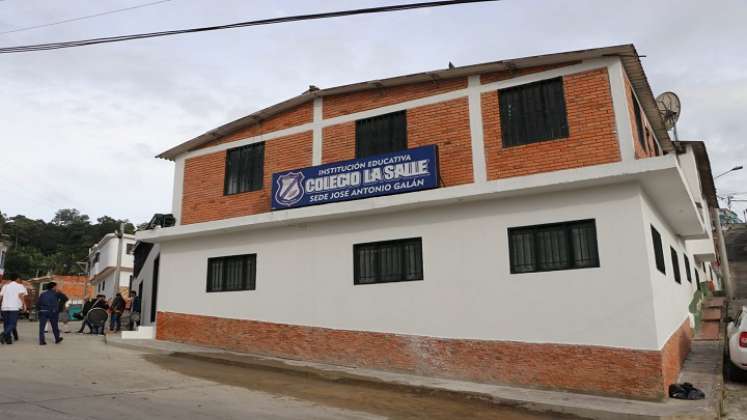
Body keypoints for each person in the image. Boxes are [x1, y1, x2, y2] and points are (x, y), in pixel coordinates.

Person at [0, 277, 28, 345]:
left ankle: (8, 340)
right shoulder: (20, 286)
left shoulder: (5, 286)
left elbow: (0, 296)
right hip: (14, 307)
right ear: (17, 279)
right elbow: (21, 295)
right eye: (20, 279)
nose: (21, 280)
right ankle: (3, 334)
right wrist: (24, 305)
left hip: (4, 307)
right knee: (13, 324)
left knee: (6, 324)